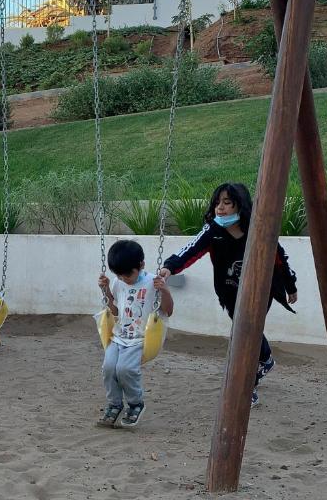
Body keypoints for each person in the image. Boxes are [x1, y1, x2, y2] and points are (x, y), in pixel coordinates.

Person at [158, 182, 298, 406]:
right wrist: (169, 267)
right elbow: (190, 250)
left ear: (240, 206)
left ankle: (246, 387)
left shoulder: (258, 230)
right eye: (217, 203)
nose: (220, 208)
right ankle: (266, 359)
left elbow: (280, 259)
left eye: (227, 203)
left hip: (261, 291)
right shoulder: (214, 231)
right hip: (230, 291)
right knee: (246, 330)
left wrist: (290, 286)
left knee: (245, 334)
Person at [97, 239, 174, 428]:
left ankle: (135, 403)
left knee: (125, 370)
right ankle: (114, 404)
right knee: (108, 368)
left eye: (127, 275)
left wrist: (164, 290)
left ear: (141, 265)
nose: (123, 279)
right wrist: (106, 289)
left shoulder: (152, 283)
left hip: (142, 338)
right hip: (119, 336)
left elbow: (168, 310)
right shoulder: (118, 282)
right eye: (119, 275)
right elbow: (115, 311)